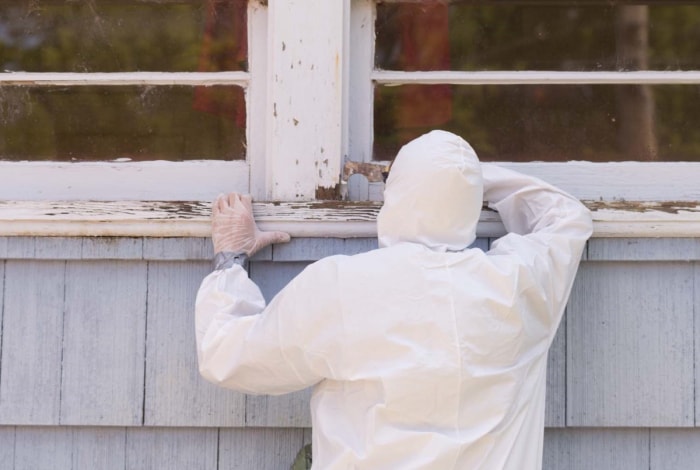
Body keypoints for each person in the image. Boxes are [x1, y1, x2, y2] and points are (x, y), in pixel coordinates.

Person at [195, 130, 593, 469]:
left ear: (397, 195)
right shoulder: (516, 286)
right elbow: (565, 217)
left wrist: (230, 258)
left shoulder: (342, 286)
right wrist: (462, 181)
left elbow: (230, 355)